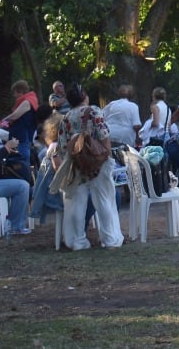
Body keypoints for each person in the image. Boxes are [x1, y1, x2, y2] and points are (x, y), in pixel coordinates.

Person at [56, 84, 123, 249]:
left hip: (77, 164)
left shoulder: (65, 119)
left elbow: (63, 146)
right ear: (84, 96)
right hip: (97, 161)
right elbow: (104, 134)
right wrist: (106, 155)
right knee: (104, 199)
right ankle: (109, 239)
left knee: (78, 202)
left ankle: (78, 240)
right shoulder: (93, 111)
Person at [4, 80, 42, 166]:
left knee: (22, 163)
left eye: (15, 93)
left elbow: (15, 116)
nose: (14, 96)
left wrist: (1, 122)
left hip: (22, 138)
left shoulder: (27, 101)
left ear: (20, 92)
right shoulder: (31, 100)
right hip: (21, 138)